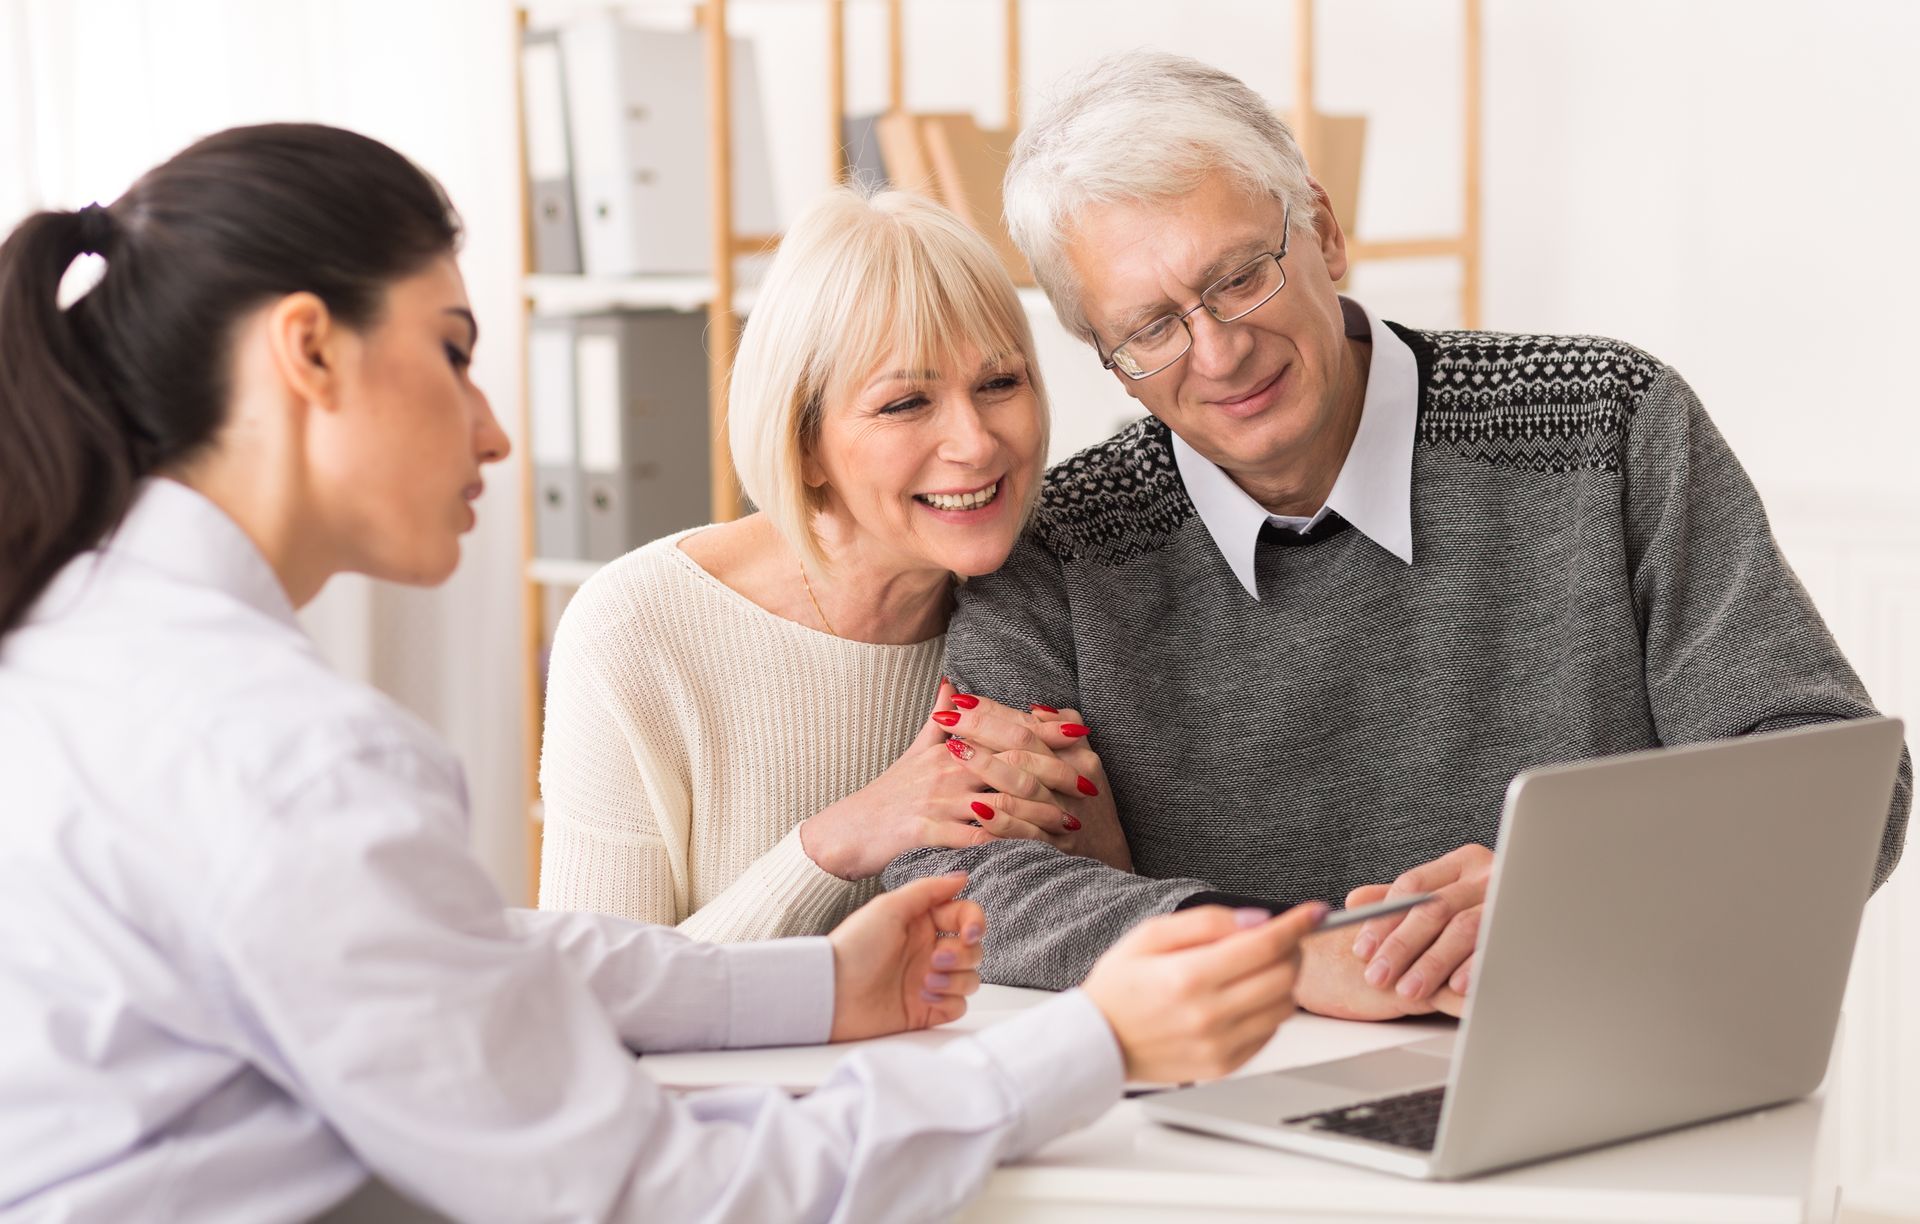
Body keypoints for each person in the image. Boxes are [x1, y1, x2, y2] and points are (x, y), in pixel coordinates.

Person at [0, 123, 1327, 1223]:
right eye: (455, 351)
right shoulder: (286, 753)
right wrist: (1092, 1046)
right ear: (307, 350)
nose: (496, 427)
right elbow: (642, 1192)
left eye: (998, 382)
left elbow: (480, 963)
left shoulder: (88, 651)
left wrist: (818, 985)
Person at [883, 51, 1912, 1017]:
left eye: (1241, 275)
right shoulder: (1061, 543)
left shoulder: (1609, 420)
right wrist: (1289, 952)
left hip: (1603, 1047)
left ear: (1322, 232)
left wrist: (1579, 891)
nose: (1221, 350)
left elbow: (1843, 786)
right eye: (1150, 328)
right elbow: (957, 877)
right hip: (1239, 1121)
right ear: (1105, 357)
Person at [538, 189, 1127, 940]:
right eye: (906, 403)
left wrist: (1101, 846)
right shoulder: (637, 628)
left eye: (1000, 383)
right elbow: (591, 1001)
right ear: (805, 442)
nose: (976, 443)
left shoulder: (1055, 599)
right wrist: (833, 847)